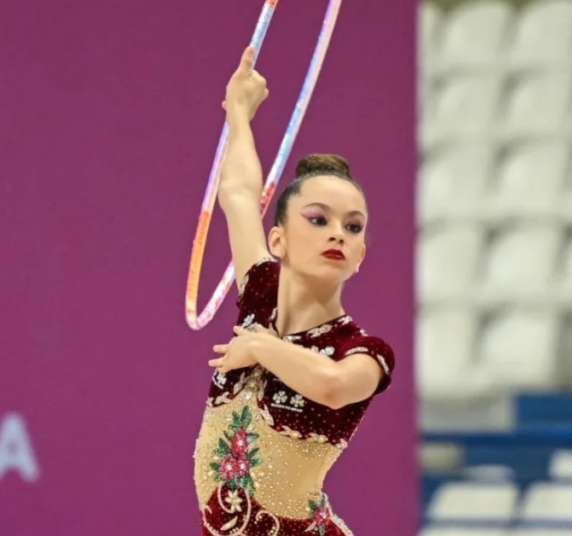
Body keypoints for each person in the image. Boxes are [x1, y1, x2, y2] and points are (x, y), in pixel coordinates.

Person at [192, 46, 396, 536]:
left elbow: (332, 386)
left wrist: (262, 346)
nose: (337, 234)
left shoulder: (363, 352)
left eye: (353, 227)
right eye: (319, 219)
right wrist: (238, 113)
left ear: (360, 256)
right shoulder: (260, 292)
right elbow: (239, 195)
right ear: (278, 239)